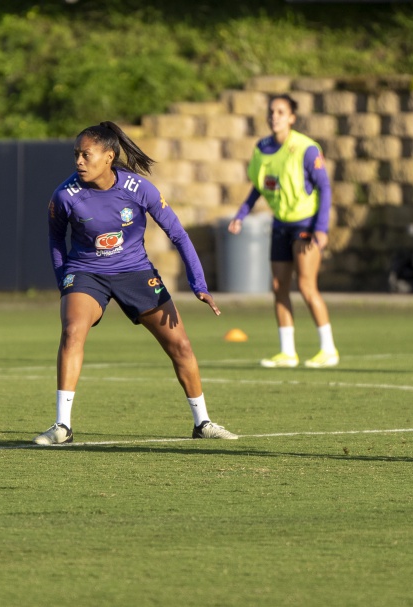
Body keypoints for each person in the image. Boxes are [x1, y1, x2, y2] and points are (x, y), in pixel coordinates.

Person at [34, 121, 237, 445]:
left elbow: (178, 235)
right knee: (72, 332)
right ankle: (62, 426)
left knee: (181, 346)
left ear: (109, 157)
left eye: (86, 154)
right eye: (76, 154)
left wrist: (198, 283)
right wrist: (66, 285)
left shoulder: (139, 189)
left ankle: (203, 423)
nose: (79, 161)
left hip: (135, 272)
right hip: (87, 272)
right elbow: (56, 241)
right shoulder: (65, 195)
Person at [228, 93, 338, 369]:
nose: (274, 116)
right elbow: (259, 186)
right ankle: (287, 352)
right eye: (271, 111)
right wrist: (241, 215)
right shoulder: (262, 148)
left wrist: (321, 228)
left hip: (305, 224)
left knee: (306, 285)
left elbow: (324, 187)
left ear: (292, 118)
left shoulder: (306, 148)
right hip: (280, 224)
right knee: (279, 287)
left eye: (280, 112)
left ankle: (328, 348)